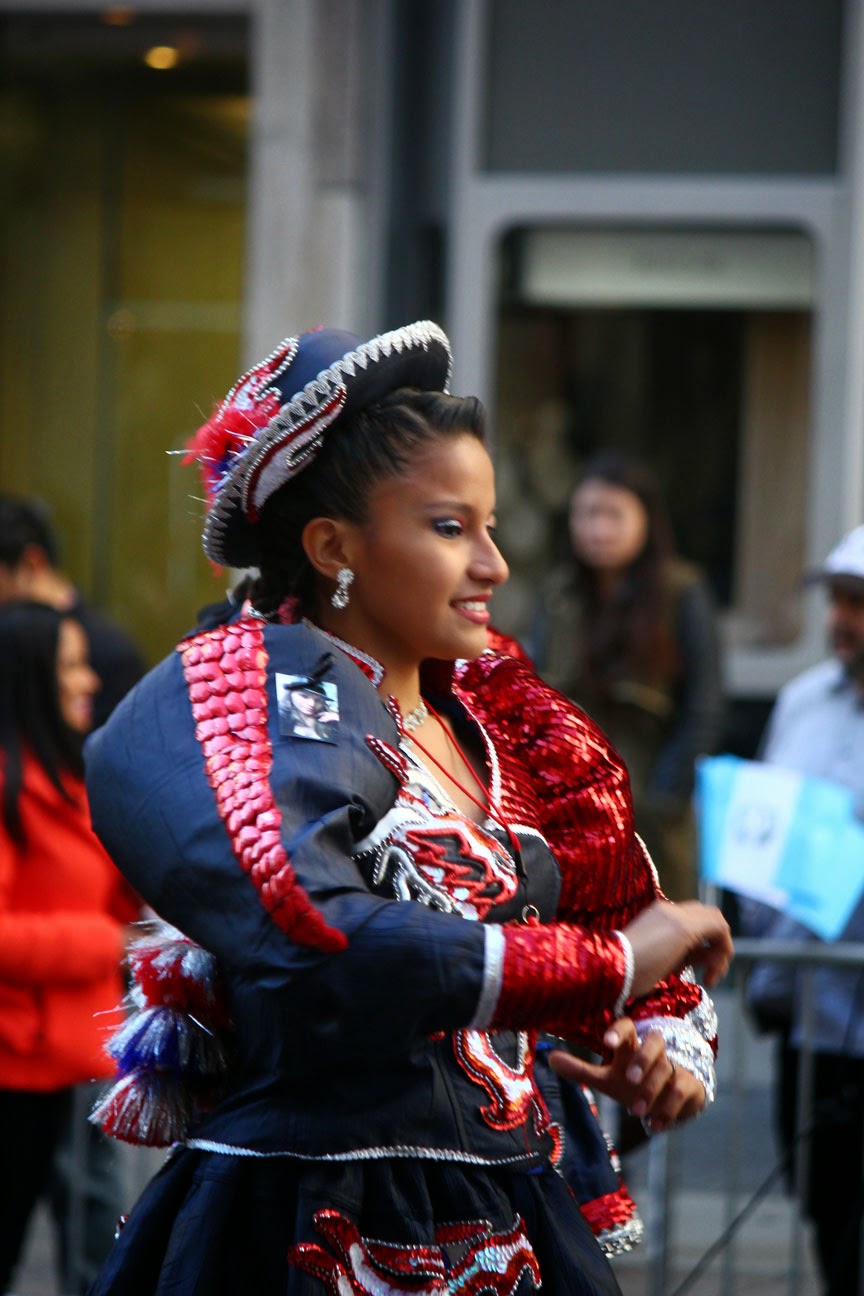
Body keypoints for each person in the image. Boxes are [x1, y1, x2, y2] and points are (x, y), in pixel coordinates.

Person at [84, 321, 732, 1296]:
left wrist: (660, 1039)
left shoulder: (509, 723)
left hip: (516, 1213)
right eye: (448, 527)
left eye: (492, 526)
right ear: (334, 546)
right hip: (306, 1223)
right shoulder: (242, 698)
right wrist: (611, 965)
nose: (493, 566)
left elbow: (624, 917)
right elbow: (314, 933)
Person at [0, 493, 147, 1295]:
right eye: (68, 668)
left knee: (92, 1236)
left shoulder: (70, 780)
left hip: (74, 1056)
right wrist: (107, 943)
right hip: (19, 1064)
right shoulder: (9, 789)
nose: (89, 677)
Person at [743, 524, 864, 1296]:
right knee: (827, 1208)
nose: (841, 619)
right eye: (839, 600)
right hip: (811, 1021)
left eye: (859, 603)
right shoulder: (800, 702)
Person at [532, 450, 724, 902]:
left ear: (646, 519)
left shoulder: (682, 591)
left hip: (652, 804)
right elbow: (534, 696)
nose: (598, 529)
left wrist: (663, 799)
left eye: (614, 515)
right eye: (587, 514)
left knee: (659, 936)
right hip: (568, 806)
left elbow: (704, 708)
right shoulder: (559, 595)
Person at [0, 493, 146, 726]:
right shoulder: (15, 637)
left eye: (74, 663)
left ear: (31, 563)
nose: (89, 682)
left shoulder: (109, 652)